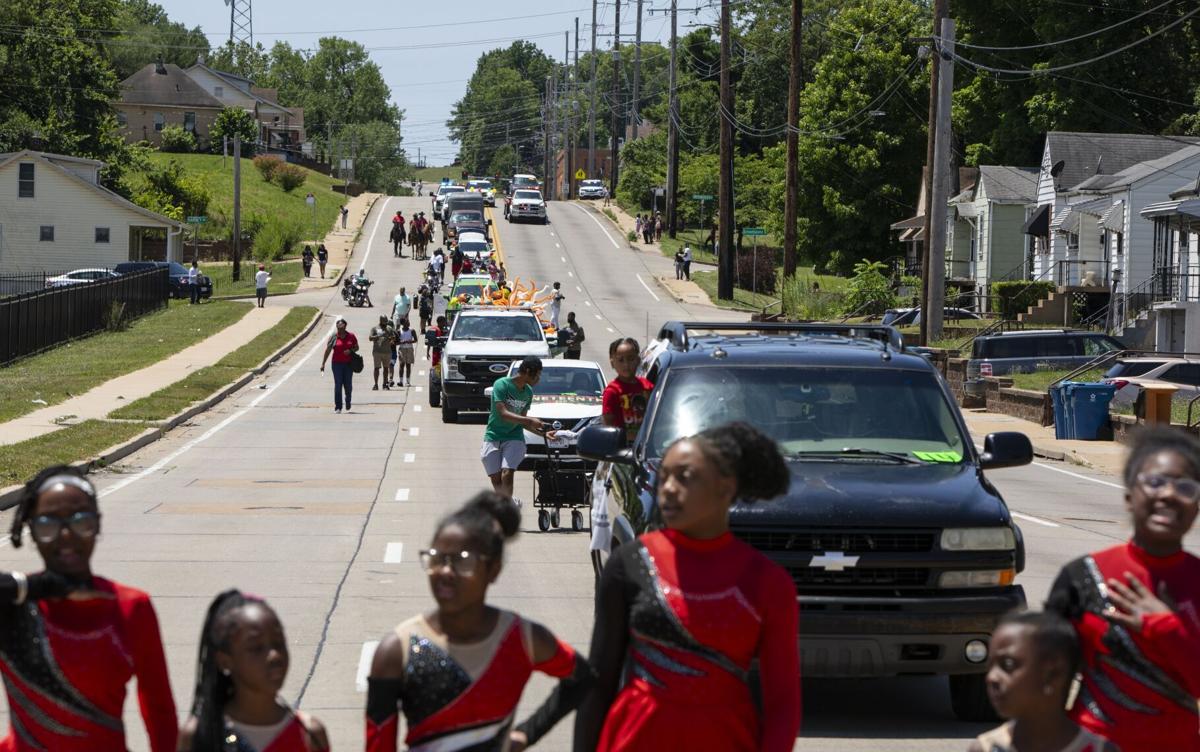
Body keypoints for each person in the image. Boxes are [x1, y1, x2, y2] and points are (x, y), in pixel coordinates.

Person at [574, 422, 799, 751]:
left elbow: (783, 703)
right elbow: (598, 684)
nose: (668, 489)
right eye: (664, 476)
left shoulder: (767, 583)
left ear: (726, 486)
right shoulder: (629, 565)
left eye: (685, 477)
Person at [366, 492, 595, 752]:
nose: (446, 572)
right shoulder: (396, 650)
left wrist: (526, 734)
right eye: (437, 558)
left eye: (462, 561)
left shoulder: (522, 638)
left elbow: (582, 677)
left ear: (493, 569)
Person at [0, 465, 177, 751]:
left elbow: (159, 710)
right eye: (48, 524)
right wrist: (27, 588)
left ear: (98, 524)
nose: (66, 535)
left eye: (80, 520)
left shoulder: (130, 607)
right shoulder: (13, 605)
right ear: (30, 530)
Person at [1045, 426, 1200, 752]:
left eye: (1185, 487)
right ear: (1130, 496)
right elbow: (1047, 686)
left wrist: (1165, 627)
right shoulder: (1081, 576)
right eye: (1155, 482)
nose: (1169, 494)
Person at [179, 590, 329, 752]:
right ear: (225, 661)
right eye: (256, 648)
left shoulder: (309, 734)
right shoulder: (201, 737)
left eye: (279, 643)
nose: (274, 656)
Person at [969, 611, 1115, 752]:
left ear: (1053, 674)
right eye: (990, 666)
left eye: (1007, 665)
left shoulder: (1098, 749)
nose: (991, 677)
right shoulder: (986, 748)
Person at [482, 356, 545, 501]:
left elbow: (522, 423)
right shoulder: (501, 384)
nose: (538, 379)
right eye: (538, 374)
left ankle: (506, 511)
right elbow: (503, 413)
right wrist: (530, 420)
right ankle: (506, 502)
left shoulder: (528, 392)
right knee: (496, 479)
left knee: (507, 472)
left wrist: (544, 435)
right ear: (528, 371)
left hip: (514, 437)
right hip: (493, 435)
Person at [602, 337, 653, 444]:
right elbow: (608, 427)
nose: (626, 365)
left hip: (647, 446)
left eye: (631, 359)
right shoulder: (612, 391)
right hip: (622, 449)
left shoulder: (647, 387)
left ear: (638, 360)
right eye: (621, 360)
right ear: (612, 362)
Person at [319, 317, 358, 413]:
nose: (339, 329)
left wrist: (350, 350)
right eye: (338, 327)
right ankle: (338, 406)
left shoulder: (351, 336)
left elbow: (356, 347)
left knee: (348, 385)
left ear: (345, 327)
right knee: (338, 384)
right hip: (336, 364)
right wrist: (323, 363)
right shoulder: (334, 337)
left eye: (341, 327)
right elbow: (328, 350)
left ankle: (348, 400)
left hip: (348, 364)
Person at [370, 315, 395, 391]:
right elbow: (370, 338)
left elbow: (393, 337)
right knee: (376, 368)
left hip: (387, 352)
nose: (385, 323)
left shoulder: (389, 328)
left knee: (386, 368)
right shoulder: (375, 328)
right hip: (377, 351)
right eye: (384, 322)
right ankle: (376, 384)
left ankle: (384, 384)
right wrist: (378, 336)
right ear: (380, 321)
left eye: (386, 322)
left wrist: (390, 338)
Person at [396, 317, 417, 387]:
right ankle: (401, 381)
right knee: (401, 364)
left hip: (409, 349)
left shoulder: (412, 330)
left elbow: (415, 340)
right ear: (403, 324)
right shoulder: (399, 331)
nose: (408, 323)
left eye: (408, 321)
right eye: (406, 322)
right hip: (402, 349)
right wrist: (401, 342)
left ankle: (408, 381)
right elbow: (396, 341)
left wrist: (409, 341)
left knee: (408, 365)